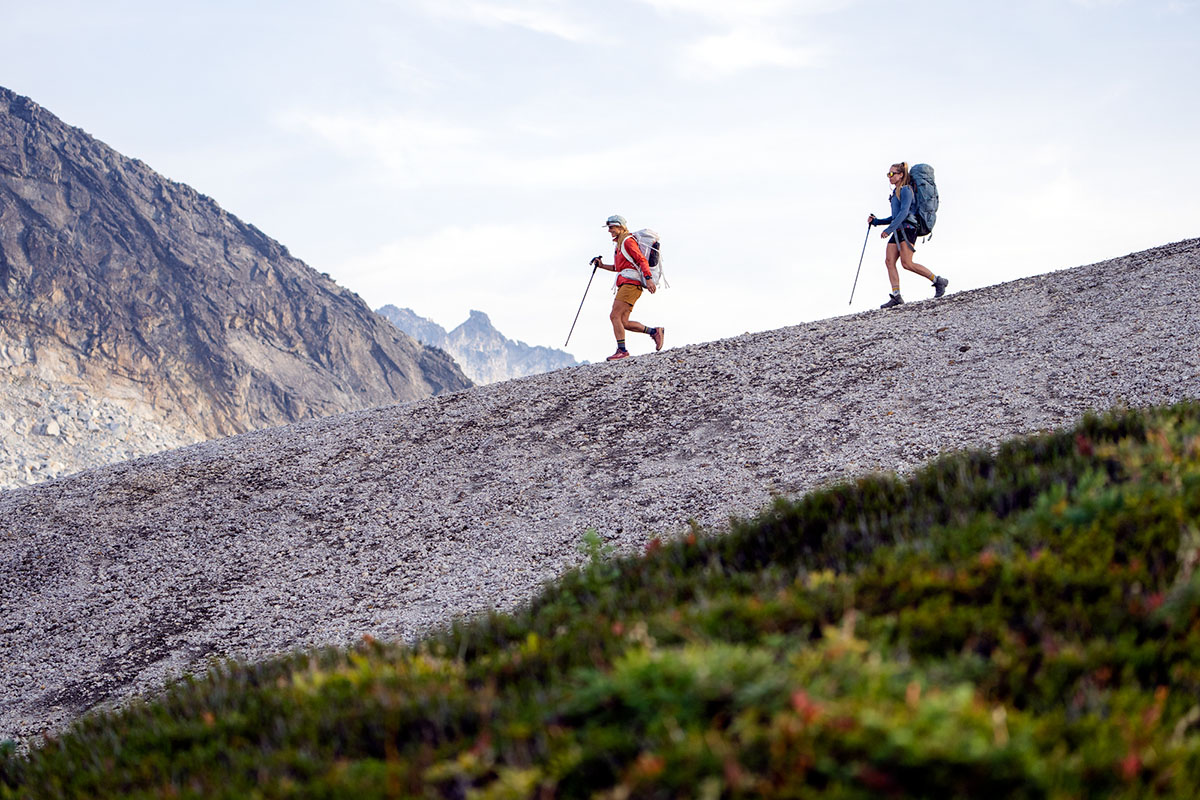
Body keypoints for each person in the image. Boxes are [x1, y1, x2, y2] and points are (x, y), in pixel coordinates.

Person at [868, 162, 948, 308]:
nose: (890, 177)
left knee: (907, 263)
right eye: (888, 174)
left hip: (908, 229)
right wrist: (877, 222)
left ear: (901, 175)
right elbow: (895, 216)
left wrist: (889, 230)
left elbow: (904, 212)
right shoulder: (895, 193)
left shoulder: (906, 190)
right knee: (889, 261)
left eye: (892, 174)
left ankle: (938, 280)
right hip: (898, 229)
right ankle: (896, 296)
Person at [591, 214, 664, 361]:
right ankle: (654, 331)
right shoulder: (619, 245)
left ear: (620, 226)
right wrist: (602, 265)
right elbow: (619, 267)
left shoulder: (627, 241)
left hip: (630, 284)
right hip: (626, 283)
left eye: (611, 227)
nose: (609, 230)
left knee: (614, 316)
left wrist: (649, 279)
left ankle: (622, 351)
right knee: (623, 322)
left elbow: (641, 259)